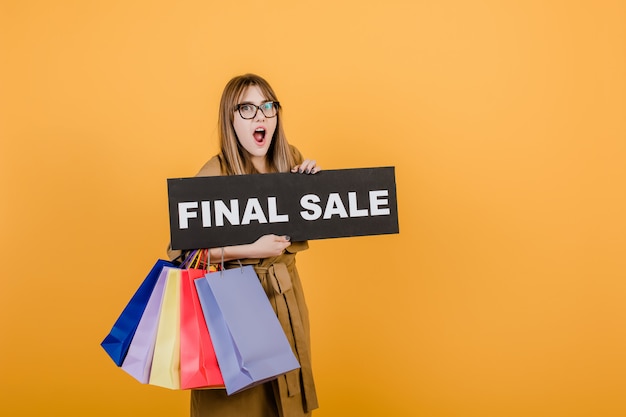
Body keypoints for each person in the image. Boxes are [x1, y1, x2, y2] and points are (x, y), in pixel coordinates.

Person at [168, 73, 319, 417]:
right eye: (247, 109)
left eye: (267, 106)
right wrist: (253, 250)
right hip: (236, 304)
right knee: (240, 406)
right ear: (230, 119)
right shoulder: (214, 173)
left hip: (285, 298)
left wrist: (316, 188)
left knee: (284, 402)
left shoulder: (289, 159)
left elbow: (311, 219)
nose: (260, 116)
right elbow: (185, 255)